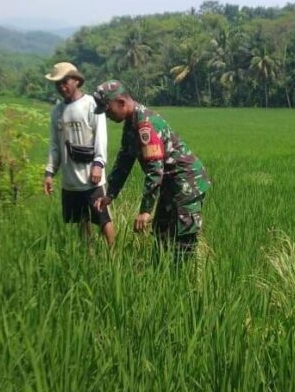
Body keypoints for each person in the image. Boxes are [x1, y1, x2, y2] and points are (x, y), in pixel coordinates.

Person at [91, 80, 210, 260]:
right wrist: (111, 193)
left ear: (121, 102)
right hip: (170, 185)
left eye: (108, 110)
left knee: (182, 241)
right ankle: (161, 277)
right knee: (160, 236)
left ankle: (184, 281)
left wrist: (145, 211)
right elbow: (124, 160)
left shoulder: (145, 125)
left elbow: (155, 169)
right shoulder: (131, 123)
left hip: (186, 184)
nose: (107, 116)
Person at [43, 62, 116, 247]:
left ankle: (113, 255)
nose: (61, 86)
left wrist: (98, 164)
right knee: (81, 220)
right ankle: (88, 256)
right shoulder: (57, 112)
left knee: (102, 218)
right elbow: (55, 146)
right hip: (70, 179)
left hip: (91, 177)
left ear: (76, 80)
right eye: (57, 83)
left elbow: (101, 137)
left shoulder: (92, 105)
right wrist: (50, 173)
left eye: (65, 81)